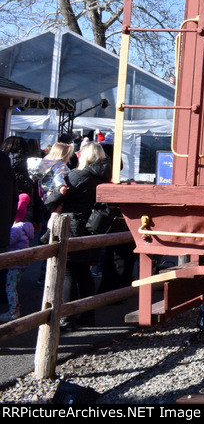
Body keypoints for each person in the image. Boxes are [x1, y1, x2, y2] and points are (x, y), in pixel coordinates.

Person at [60, 141, 109, 329]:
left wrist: (55, 193)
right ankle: (88, 316)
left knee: (69, 272)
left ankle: (67, 318)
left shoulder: (76, 175)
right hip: (93, 228)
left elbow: (55, 199)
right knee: (84, 274)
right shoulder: (103, 178)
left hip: (74, 228)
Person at [1, 194, 34, 321]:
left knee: (10, 287)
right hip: (21, 263)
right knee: (12, 285)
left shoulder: (16, 229)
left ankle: (14, 311)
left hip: (16, 263)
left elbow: (7, 241)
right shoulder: (25, 227)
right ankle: (14, 307)